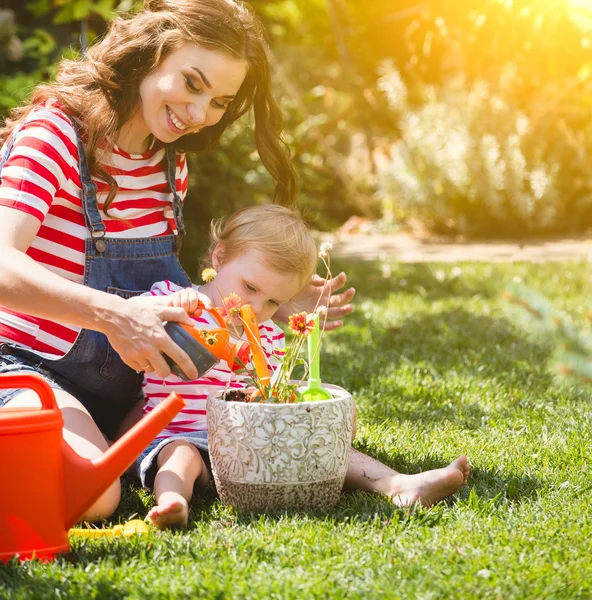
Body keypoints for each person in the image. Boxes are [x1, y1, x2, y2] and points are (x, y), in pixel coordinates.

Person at [0, 0, 355, 522]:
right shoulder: (55, 135)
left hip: (124, 394)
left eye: (219, 101)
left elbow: (171, 300)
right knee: (92, 496)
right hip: (26, 368)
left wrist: (269, 303)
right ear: (151, 52)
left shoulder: (168, 164)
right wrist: (114, 315)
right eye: (192, 83)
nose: (200, 113)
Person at [138, 205, 470, 529]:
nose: (256, 306)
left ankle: (397, 485)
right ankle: (173, 502)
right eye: (250, 288)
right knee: (180, 456)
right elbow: (136, 321)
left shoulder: (268, 335)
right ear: (220, 257)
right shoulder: (173, 300)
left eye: (273, 302)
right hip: (177, 434)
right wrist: (172, 308)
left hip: (249, 444)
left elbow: (264, 395)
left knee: (324, 447)